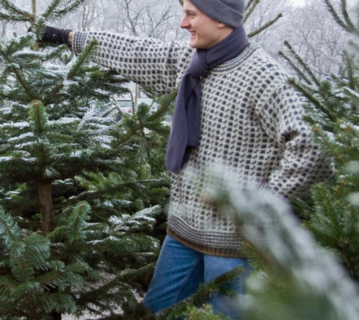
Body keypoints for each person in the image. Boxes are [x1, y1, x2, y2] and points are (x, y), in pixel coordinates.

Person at [40, 0, 331, 318]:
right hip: (183, 231)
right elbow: (136, 52)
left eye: (191, 15)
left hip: (235, 244)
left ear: (221, 20)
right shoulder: (193, 63)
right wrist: (67, 36)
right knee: (157, 310)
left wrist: (259, 205)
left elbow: (313, 148)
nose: (183, 23)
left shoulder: (264, 78)